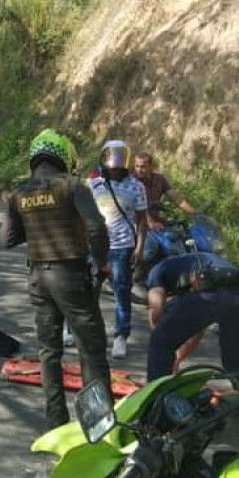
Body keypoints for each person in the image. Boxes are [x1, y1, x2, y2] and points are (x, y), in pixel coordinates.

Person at [1, 128, 112, 430]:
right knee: (91, 350)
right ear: (65, 156)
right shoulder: (73, 186)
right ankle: (98, 427)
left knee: (49, 352)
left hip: (38, 278)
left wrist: (35, 224)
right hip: (71, 275)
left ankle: (57, 424)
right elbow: (97, 229)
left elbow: (8, 239)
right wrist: (102, 265)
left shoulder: (19, 193)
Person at [145, 252, 239, 432]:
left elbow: (156, 307)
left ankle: (158, 413)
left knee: (159, 342)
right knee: (235, 361)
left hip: (210, 292)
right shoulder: (197, 262)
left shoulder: (157, 270)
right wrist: (177, 358)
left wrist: (160, 341)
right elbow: (197, 330)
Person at [87, 140, 147, 360]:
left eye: (121, 160)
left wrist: (139, 247)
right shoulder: (93, 184)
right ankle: (80, 331)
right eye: (113, 160)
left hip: (122, 247)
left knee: (122, 292)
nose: (116, 165)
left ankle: (121, 335)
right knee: (87, 291)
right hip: (94, 246)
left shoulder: (136, 186)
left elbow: (142, 221)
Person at [133, 152, 198, 271]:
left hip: (157, 224)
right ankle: (136, 276)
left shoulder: (159, 179)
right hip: (136, 223)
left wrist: (196, 214)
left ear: (151, 166)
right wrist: (150, 222)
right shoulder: (132, 181)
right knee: (150, 248)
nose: (139, 170)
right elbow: (139, 207)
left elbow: (178, 199)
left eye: (143, 166)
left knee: (181, 240)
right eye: (136, 166)